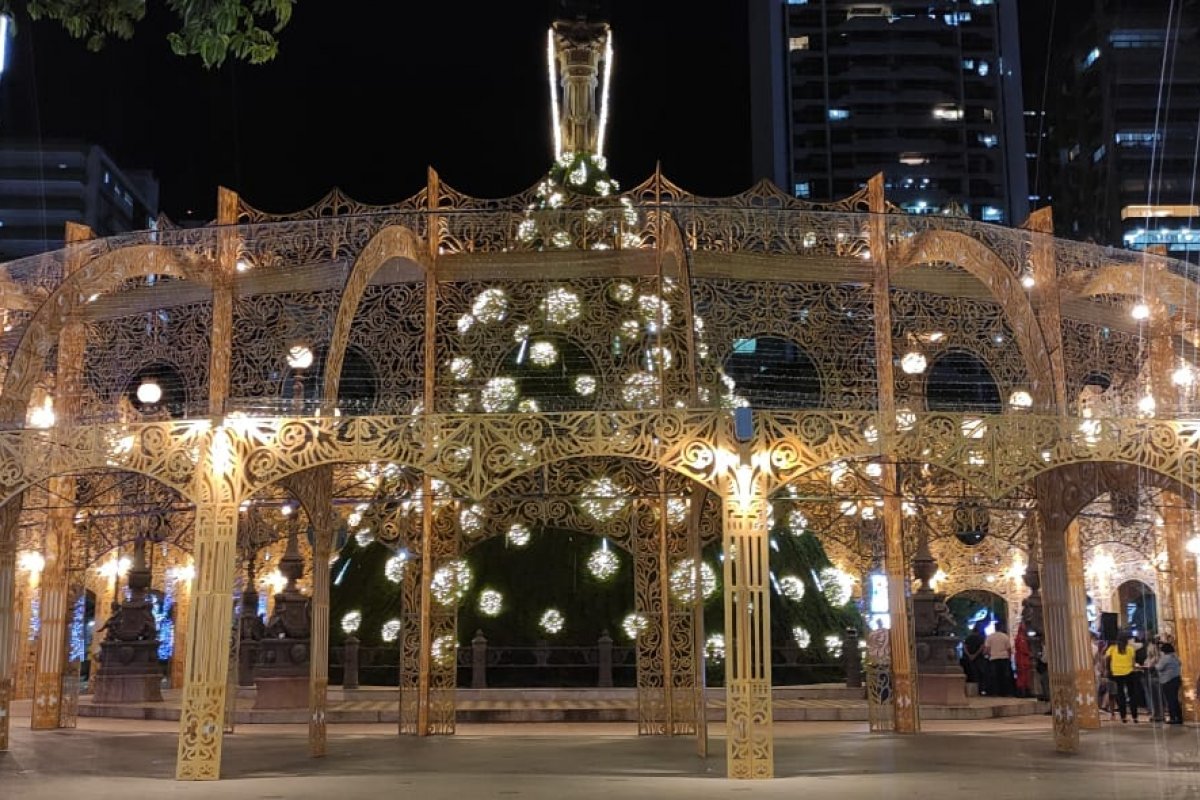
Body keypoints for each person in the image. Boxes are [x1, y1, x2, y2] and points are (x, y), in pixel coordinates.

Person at [1105, 632, 1140, 723]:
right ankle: (1134, 716)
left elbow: (1107, 660)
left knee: (1120, 696)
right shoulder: (1130, 649)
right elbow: (1133, 662)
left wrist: (1109, 671)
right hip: (1129, 673)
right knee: (1132, 695)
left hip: (1116, 674)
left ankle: (1123, 717)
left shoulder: (1112, 649)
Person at [984, 620, 1014, 697]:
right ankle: (1006, 692)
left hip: (994, 658)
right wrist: (1009, 658)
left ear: (995, 628)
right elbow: (1009, 649)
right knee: (1005, 676)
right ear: (1001, 627)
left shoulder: (990, 637)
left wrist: (987, 655)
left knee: (994, 677)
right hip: (1004, 658)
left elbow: (987, 649)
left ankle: (995, 692)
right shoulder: (1005, 636)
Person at [1156, 642, 1183, 725]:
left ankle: (1173, 718)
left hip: (1168, 680)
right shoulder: (1175, 657)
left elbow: (1158, 667)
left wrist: (1156, 663)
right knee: (1175, 699)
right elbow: (1180, 663)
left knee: (1170, 700)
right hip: (1176, 679)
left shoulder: (1165, 658)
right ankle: (1179, 717)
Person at [963, 621, 987, 692]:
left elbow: (964, 647)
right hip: (979, 658)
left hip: (968, 659)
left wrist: (969, 655)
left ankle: (971, 690)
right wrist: (975, 655)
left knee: (970, 673)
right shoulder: (981, 638)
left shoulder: (968, 638)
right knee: (980, 674)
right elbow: (982, 647)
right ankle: (980, 690)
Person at [1014, 622, 1033, 698]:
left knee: (1025, 676)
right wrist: (1029, 653)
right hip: (1022, 659)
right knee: (1022, 676)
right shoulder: (1021, 638)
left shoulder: (1023, 637)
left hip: (1024, 659)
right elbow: (1022, 649)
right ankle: (1022, 692)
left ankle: (1025, 691)